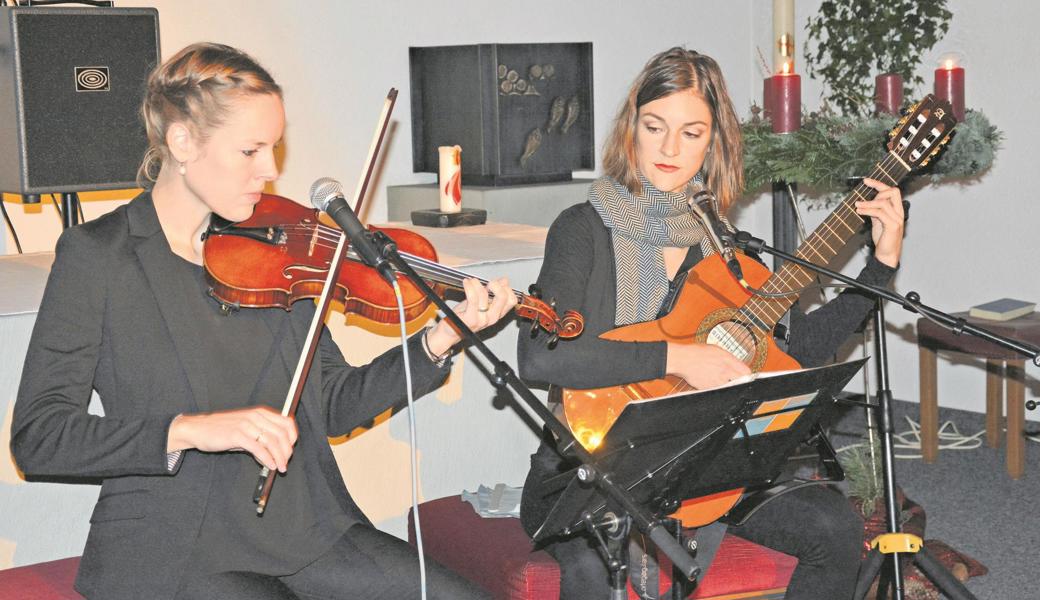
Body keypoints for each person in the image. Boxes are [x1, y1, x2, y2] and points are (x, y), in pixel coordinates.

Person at [10, 42, 513, 600]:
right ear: (182, 142)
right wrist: (189, 430)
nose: (270, 171)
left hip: (307, 532)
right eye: (250, 151)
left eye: (273, 149)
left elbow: (334, 403)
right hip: (174, 546)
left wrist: (440, 339)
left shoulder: (278, 250)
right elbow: (40, 436)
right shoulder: (99, 256)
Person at [517, 47, 906, 599]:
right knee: (596, 574)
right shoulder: (582, 229)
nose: (670, 149)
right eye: (655, 127)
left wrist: (881, 267)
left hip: (704, 463)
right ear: (631, 129)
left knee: (833, 527)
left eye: (691, 133)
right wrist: (680, 358)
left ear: (713, 143)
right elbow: (540, 356)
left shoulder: (725, 249)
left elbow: (798, 351)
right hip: (590, 466)